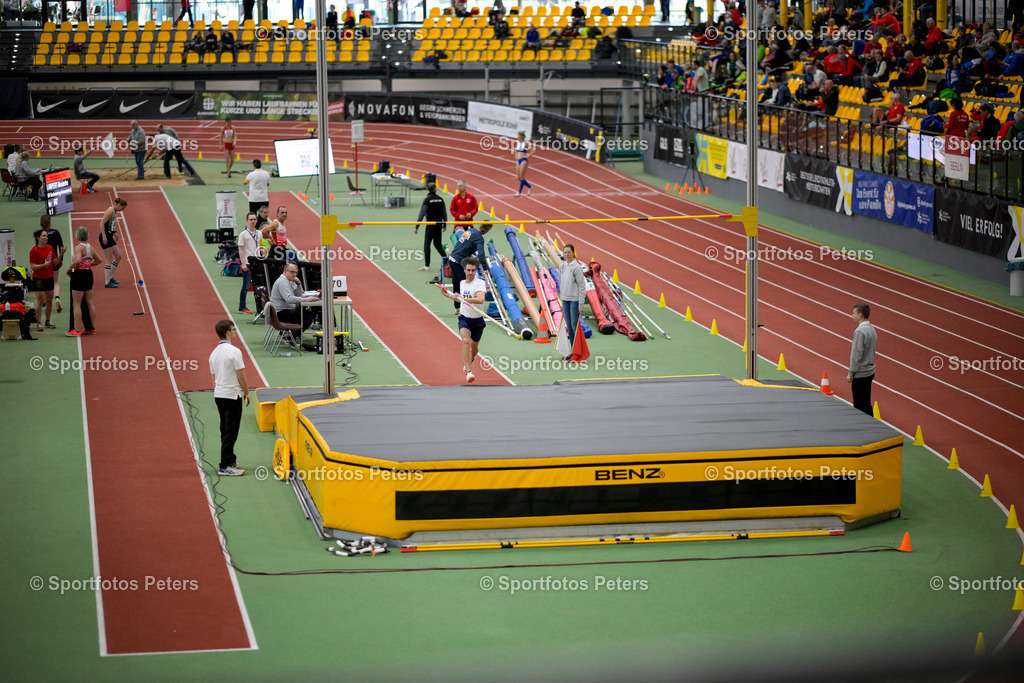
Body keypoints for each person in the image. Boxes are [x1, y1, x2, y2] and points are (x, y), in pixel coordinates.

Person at [209, 319, 248, 477]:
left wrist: (219, 390)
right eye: (234, 329)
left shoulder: (214, 354)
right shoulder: (234, 352)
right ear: (227, 332)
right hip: (232, 395)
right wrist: (247, 392)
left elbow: (213, 378)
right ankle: (225, 465)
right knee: (230, 431)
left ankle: (230, 459)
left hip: (219, 395)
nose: (235, 332)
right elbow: (242, 375)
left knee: (225, 429)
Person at [440, 255, 487, 383]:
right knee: (466, 341)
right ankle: (469, 371)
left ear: (475, 270)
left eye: (473, 270)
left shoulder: (480, 283)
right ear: (464, 270)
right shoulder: (462, 283)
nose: (471, 273)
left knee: (474, 348)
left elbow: (480, 299)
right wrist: (449, 296)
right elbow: (459, 299)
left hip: (478, 320)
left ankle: (470, 360)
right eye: (468, 270)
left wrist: (463, 299)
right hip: (464, 318)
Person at [66, 226, 104, 337]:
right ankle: (91, 328)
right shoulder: (90, 247)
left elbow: (77, 261)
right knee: (90, 302)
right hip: (88, 274)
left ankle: (77, 330)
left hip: (79, 274)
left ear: (77, 235)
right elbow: (99, 260)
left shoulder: (78, 247)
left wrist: (69, 268)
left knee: (76, 303)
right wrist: (88, 264)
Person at [447, 224, 491, 313]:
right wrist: (485, 268)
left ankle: (457, 307)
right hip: (459, 262)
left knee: (457, 284)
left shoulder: (470, 231)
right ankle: (467, 307)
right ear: (486, 230)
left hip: (452, 258)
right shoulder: (479, 238)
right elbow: (481, 255)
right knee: (466, 284)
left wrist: (470, 256)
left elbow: (462, 244)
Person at [270, 261, 318, 330]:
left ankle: (291, 335)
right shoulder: (283, 282)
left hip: (284, 311)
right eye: (292, 272)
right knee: (307, 318)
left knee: (308, 314)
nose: (295, 274)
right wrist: (306, 299)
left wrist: (298, 283)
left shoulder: (287, 281)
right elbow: (289, 299)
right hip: (281, 313)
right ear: (285, 272)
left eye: (296, 272)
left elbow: (298, 295)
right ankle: (293, 337)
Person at [848, 302, 876, 415]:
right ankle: (872, 426)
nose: (852, 315)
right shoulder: (872, 329)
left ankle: (863, 428)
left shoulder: (860, 331)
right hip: (870, 371)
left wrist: (851, 373)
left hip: (860, 373)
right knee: (866, 402)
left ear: (860, 315)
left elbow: (856, 354)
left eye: (854, 313)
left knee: (859, 404)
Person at [558, 244, 587, 356]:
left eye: (569, 252)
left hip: (574, 300)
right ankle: (572, 351)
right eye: (565, 253)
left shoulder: (577, 267)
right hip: (565, 300)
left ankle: (578, 351)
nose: (567, 255)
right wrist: (561, 299)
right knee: (569, 326)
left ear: (573, 252)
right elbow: (561, 283)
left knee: (575, 326)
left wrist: (581, 304)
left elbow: (581, 286)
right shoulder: (562, 266)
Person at [29, 228, 58, 331]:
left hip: (49, 277)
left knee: (50, 300)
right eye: (44, 236)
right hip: (39, 279)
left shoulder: (50, 248)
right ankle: (38, 323)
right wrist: (44, 265)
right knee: (40, 301)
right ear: (38, 237)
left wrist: (62, 254)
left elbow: (54, 262)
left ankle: (48, 321)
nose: (46, 238)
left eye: (47, 236)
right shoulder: (34, 250)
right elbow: (33, 267)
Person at [415, 181, 447, 272]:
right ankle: (446, 262)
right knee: (438, 245)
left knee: (427, 244)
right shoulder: (441, 199)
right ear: (435, 189)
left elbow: (422, 213)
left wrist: (417, 226)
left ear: (427, 189)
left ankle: (427, 265)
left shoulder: (427, 199)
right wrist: (444, 224)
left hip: (430, 225)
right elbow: (444, 212)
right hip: (439, 225)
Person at [98, 198, 127, 288]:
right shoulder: (110, 211)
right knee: (109, 259)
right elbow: (102, 223)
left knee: (118, 256)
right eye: (122, 208)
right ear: (118, 205)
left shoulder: (115, 211)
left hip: (110, 235)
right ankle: (107, 282)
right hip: (105, 236)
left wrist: (114, 232)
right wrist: (104, 236)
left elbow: (111, 224)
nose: (123, 210)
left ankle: (110, 277)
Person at [237, 212, 260, 314]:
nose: (253, 221)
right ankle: (242, 307)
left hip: (257, 263)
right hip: (247, 262)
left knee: (258, 286)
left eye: (254, 219)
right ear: (247, 221)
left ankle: (260, 307)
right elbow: (240, 249)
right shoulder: (243, 234)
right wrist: (243, 263)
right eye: (251, 219)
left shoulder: (259, 233)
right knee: (246, 286)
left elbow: (260, 246)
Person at [512, 131, 534, 197]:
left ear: (521, 136)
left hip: (523, 160)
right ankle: (530, 187)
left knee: (522, 177)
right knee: (519, 178)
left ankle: (519, 192)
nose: (517, 137)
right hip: (518, 160)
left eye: (518, 136)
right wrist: (515, 155)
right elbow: (515, 150)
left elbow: (533, 151)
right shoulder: (517, 143)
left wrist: (528, 156)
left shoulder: (526, 143)